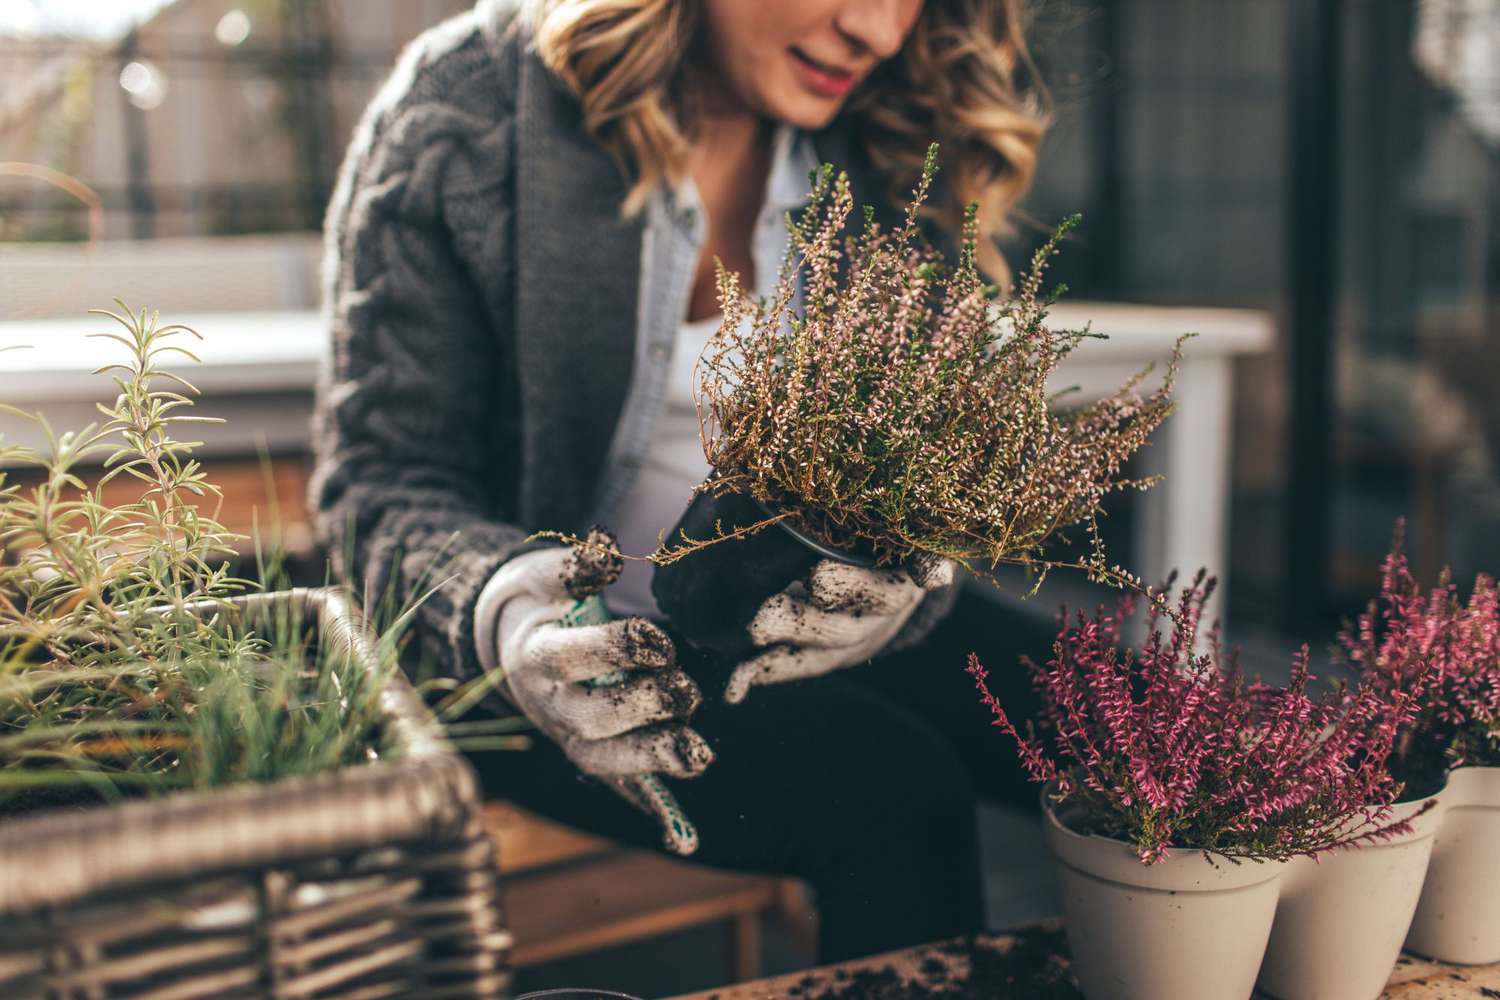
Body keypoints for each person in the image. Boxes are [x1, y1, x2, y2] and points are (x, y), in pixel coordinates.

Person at [312, 0, 1051, 965]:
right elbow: (378, 487)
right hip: (545, 659)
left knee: (1138, 710)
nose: (878, 30)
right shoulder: (473, 107)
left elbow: (914, 455)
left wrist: (908, 583)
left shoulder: (885, 139)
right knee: (890, 790)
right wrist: (512, 616)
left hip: (806, 615)